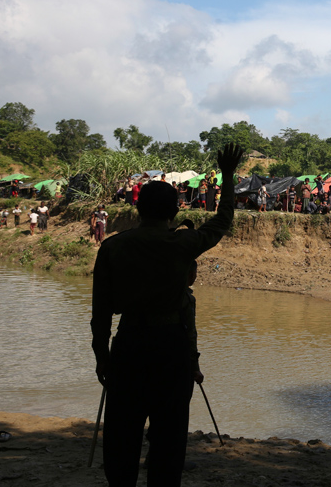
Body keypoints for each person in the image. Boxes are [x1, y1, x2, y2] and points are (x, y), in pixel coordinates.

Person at [90, 143, 242, 487]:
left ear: (138, 208)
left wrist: (102, 357)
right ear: (175, 212)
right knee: (169, 436)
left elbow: (101, 313)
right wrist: (228, 174)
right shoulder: (183, 244)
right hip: (170, 347)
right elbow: (224, 219)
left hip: (129, 344)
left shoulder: (113, 246)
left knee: (122, 435)